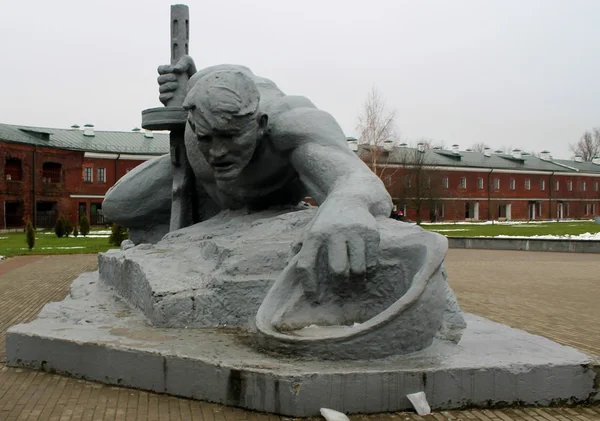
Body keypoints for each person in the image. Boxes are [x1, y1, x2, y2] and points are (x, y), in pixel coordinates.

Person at [104, 57, 392, 302]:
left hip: (269, 206)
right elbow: (198, 83)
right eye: (206, 138)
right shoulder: (198, 110)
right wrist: (180, 85)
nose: (217, 152)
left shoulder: (293, 120)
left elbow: (356, 177)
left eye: (231, 137)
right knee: (119, 206)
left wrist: (348, 205)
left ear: (260, 124)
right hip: (209, 201)